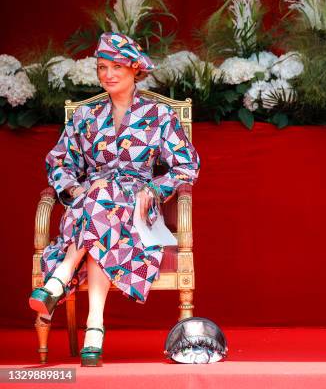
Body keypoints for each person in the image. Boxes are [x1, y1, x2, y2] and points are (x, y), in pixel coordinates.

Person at [29, 32, 200, 367]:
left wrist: (153, 191)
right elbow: (58, 161)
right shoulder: (85, 118)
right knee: (99, 198)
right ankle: (95, 325)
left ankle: (60, 277)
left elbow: (186, 166)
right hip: (88, 205)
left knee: (102, 204)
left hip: (137, 212)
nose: (107, 74)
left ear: (135, 69)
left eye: (116, 67)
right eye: (102, 67)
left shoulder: (159, 116)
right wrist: (74, 190)